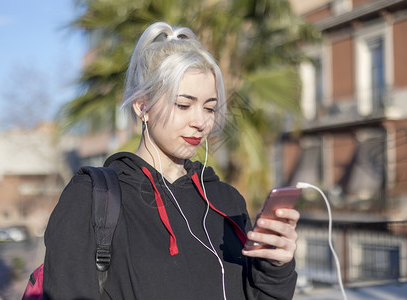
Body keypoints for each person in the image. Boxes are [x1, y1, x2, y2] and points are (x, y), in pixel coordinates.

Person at [43, 22, 300, 300]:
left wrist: (276, 266)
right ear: (142, 106)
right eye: (183, 105)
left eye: (210, 107)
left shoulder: (227, 202)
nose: (201, 122)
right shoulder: (92, 197)